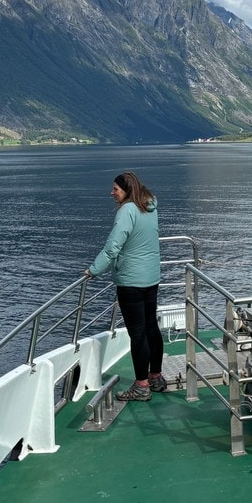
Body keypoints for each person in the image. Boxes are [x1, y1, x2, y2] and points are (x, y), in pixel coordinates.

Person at [85, 172, 166, 402]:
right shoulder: (149, 207)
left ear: (127, 191)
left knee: (137, 333)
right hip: (151, 278)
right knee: (151, 327)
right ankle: (155, 377)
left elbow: (112, 247)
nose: (112, 193)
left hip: (131, 281)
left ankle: (141, 386)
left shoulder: (127, 211)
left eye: (116, 190)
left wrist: (93, 270)